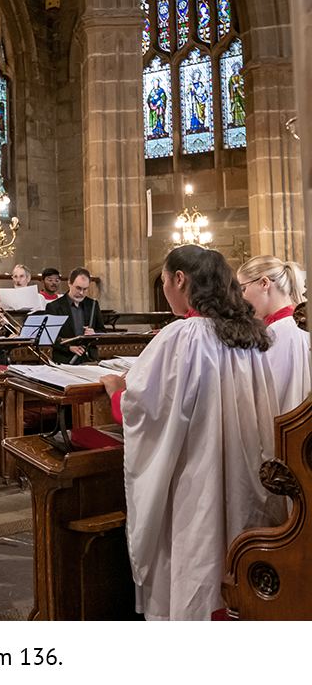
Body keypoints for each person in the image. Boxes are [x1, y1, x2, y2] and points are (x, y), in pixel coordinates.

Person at [100, 245, 287, 621]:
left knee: (199, 553)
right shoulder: (248, 336)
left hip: (198, 475)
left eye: (164, 281)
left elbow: (144, 411)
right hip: (245, 472)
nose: (165, 288)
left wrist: (116, 391)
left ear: (180, 280)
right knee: (234, 549)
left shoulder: (182, 335)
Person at [238, 254, 310, 414]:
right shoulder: (300, 323)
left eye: (243, 289)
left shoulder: (279, 331)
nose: (242, 297)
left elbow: (269, 394)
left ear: (264, 283)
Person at [45, 267, 106, 364]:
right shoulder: (54, 307)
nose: (81, 293)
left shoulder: (93, 305)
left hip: (89, 359)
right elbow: (50, 336)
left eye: (85, 289)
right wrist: (69, 347)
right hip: (65, 359)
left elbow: (102, 331)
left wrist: (94, 333)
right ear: (69, 283)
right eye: (78, 288)